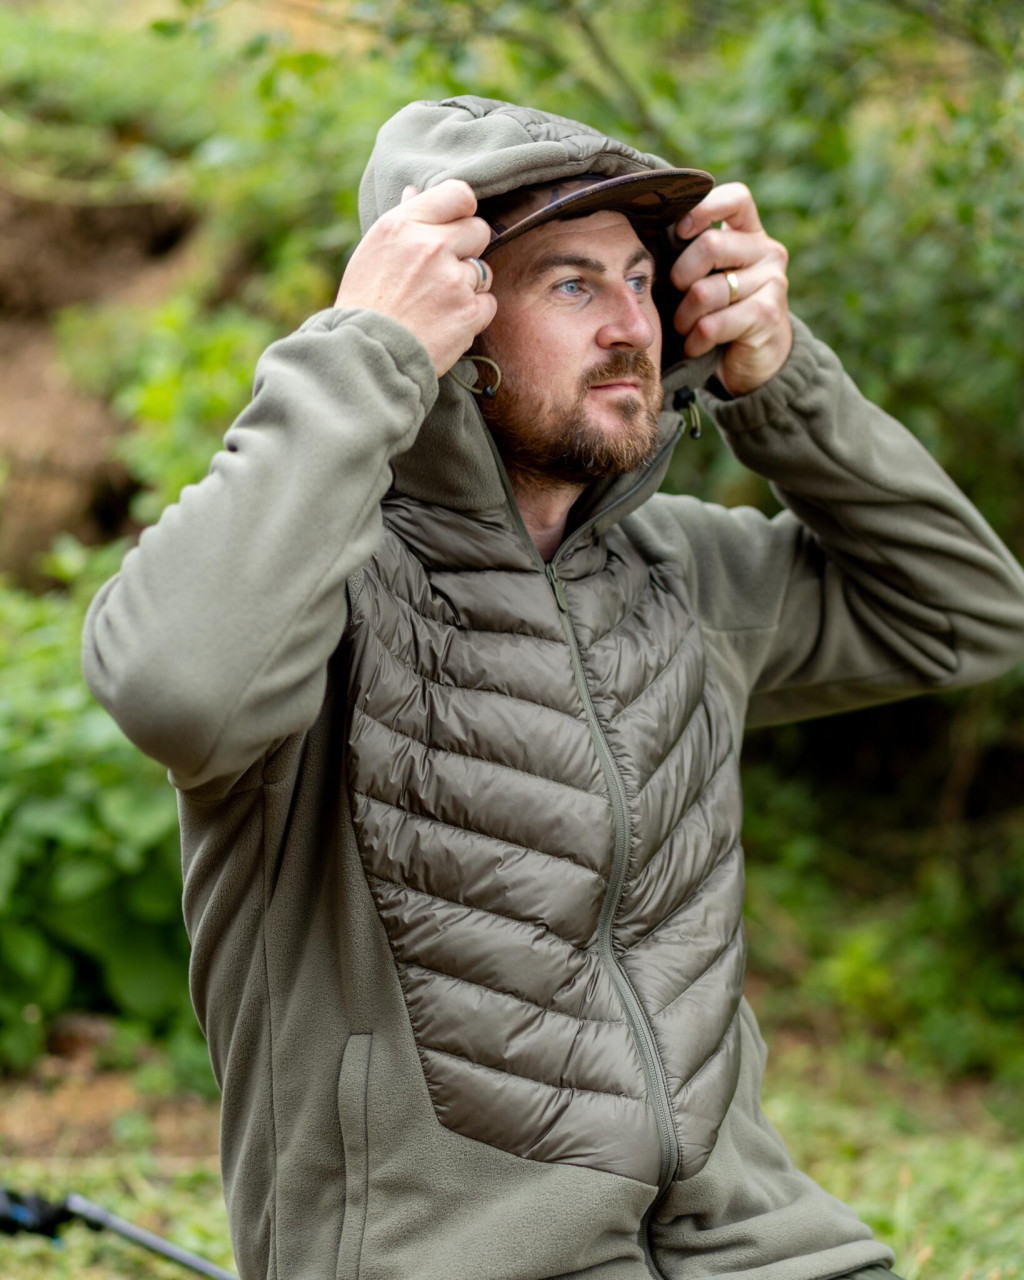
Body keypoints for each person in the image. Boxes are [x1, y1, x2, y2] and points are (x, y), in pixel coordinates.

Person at [82, 95, 1024, 1280]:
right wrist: (363, 349)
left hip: (765, 1251)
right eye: (573, 285)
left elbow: (967, 614)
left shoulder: (680, 572)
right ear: (451, 317)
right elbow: (173, 688)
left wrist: (784, 383)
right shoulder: (310, 593)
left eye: (642, 283)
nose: (631, 327)